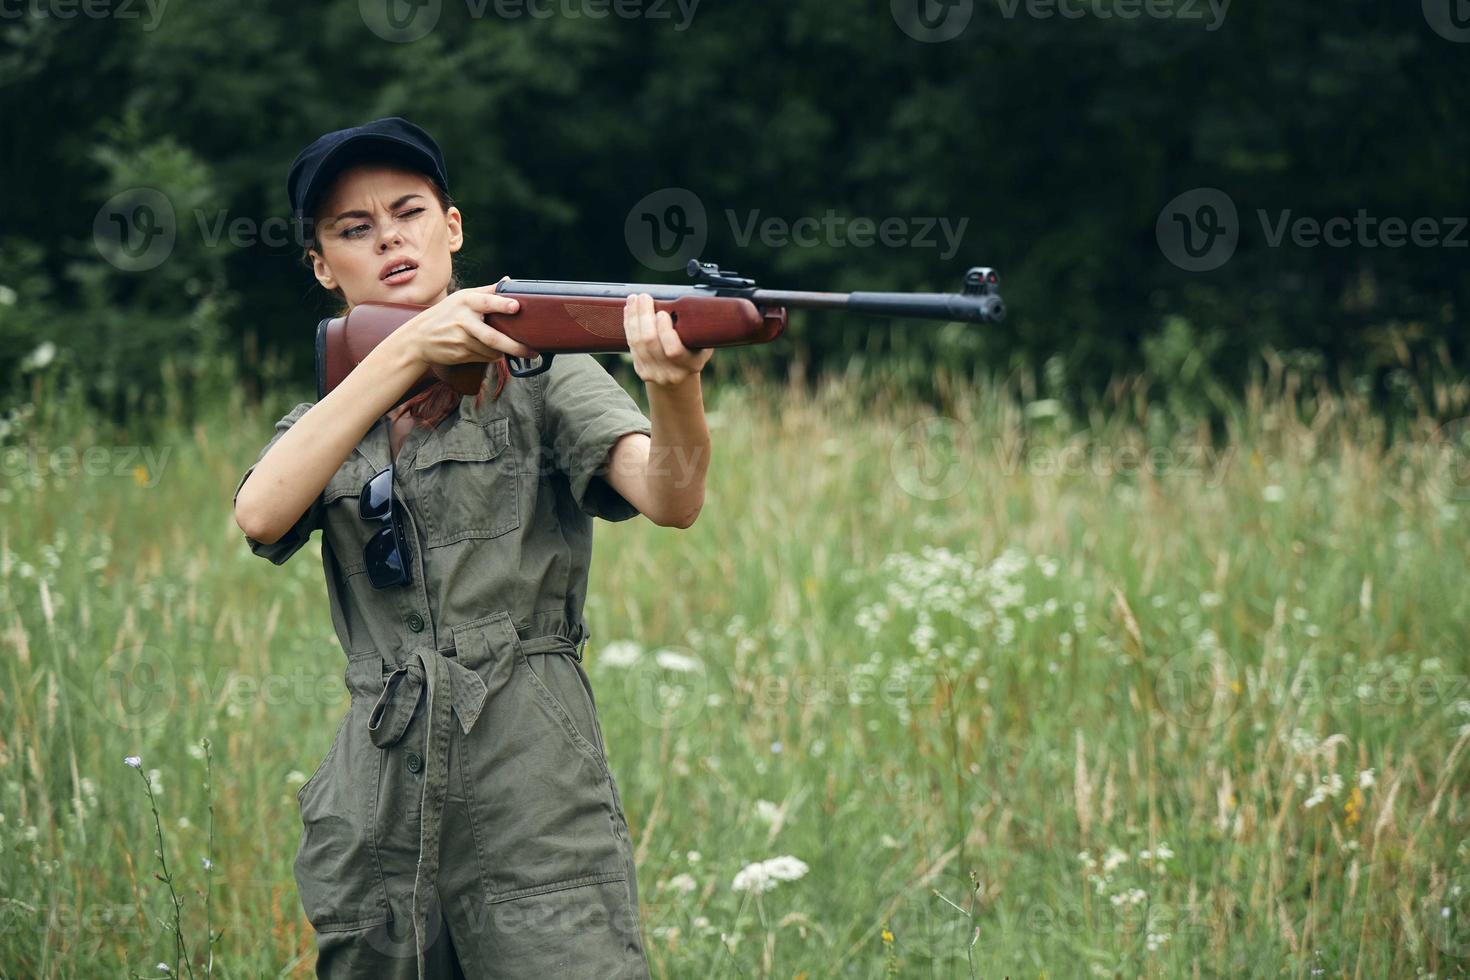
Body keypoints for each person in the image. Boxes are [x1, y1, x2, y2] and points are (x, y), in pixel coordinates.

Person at [232, 117, 712, 979]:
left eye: (409, 212)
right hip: (376, 801)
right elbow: (260, 513)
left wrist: (674, 391)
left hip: (531, 779)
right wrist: (409, 349)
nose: (387, 237)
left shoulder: (544, 373)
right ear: (320, 266)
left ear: (452, 228)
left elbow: (671, 497)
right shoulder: (331, 418)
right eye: (353, 228)